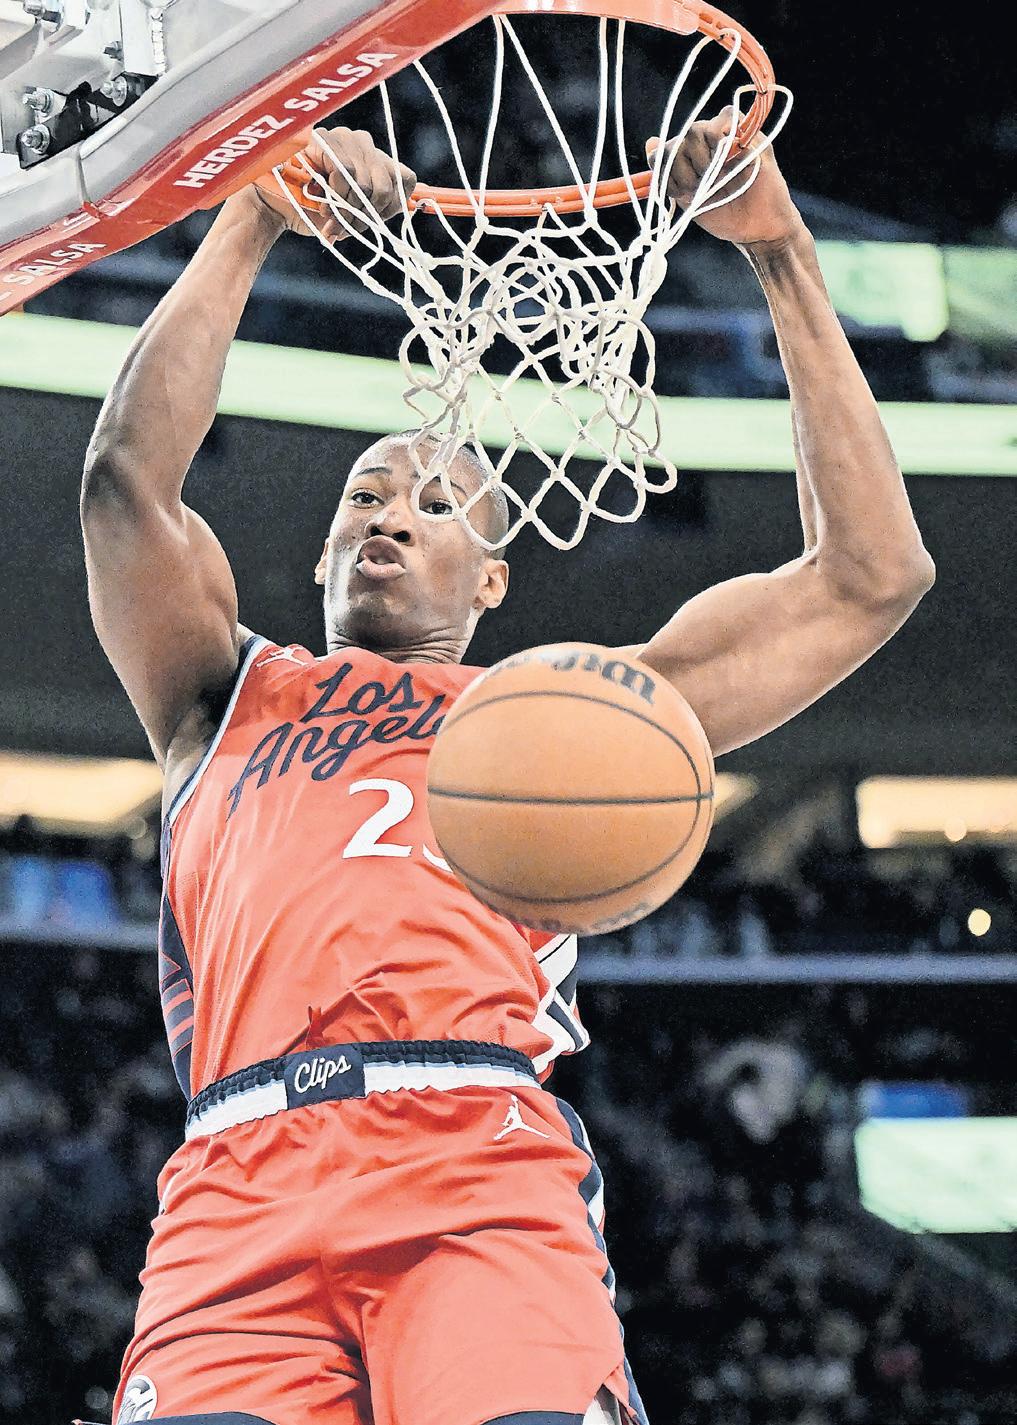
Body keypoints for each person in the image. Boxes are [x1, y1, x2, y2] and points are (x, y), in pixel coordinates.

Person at [78, 118, 933, 1425]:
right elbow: (124, 485)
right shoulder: (221, 690)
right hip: (237, 1171)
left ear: (491, 580)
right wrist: (253, 216)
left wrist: (782, 257)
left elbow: (870, 577)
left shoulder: (569, 724)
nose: (387, 514)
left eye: (432, 504)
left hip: (471, 1154)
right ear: (320, 556)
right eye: (363, 498)